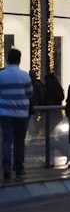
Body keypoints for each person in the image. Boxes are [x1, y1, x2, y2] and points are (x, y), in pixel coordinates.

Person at [0, 48, 33, 180]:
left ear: (8, 59)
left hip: (5, 112)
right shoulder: (25, 75)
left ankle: (6, 166)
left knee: (6, 140)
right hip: (21, 113)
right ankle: (19, 167)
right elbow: (30, 93)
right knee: (19, 141)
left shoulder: (2, 75)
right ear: (19, 59)